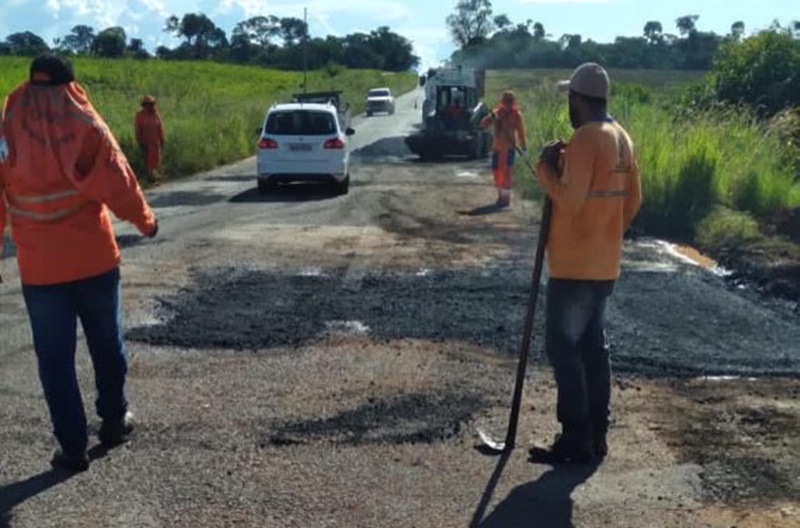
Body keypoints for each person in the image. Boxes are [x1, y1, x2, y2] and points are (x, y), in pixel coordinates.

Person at [0, 54, 159, 472]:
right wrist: (146, 222)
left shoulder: (9, 125)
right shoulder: (84, 124)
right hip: (94, 264)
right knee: (107, 345)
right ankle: (112, 420)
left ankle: (72, 449)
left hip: (40, 271)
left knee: (54, 360)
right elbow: (118, 179)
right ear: (71, 84)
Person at [529, 63, 642, 464]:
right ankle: (597, 434)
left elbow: (570, 199)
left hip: (573, 267)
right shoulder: (621, 138)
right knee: (594, 347)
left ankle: (575, 437)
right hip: (603, 264)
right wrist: (607, 234)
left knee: (563, 346)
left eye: (570, 99)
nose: (569, 106)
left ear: (580, 100)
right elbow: (633, 201)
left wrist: (545, 169)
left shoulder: (585, 139)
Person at [479, 90, 527, 208]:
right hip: (497, 149)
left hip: (509, 149)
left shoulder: (517, 115)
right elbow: (483, 125)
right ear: (502, 102)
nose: (508, 104)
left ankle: (506, 199)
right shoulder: (496, 113)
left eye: (510, 101)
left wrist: (524, 148)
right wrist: (490, 117)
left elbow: (521, 133)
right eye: (506, 101)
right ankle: (501, 195)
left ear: (513, 102)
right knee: (497, 173)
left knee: (506, 173)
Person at [135, 94, 165, 184]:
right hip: (146, 142)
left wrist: (162, 138)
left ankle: (154, 176)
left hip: (155, 141)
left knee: (156, 159)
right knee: (148, 160)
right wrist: (139, 140)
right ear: (144, 104)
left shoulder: (155, 113)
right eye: (148, 104)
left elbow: (160, 126)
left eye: (152, 104)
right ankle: (150, 178)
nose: (150, 106)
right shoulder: (139, 115)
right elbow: (138, 128)